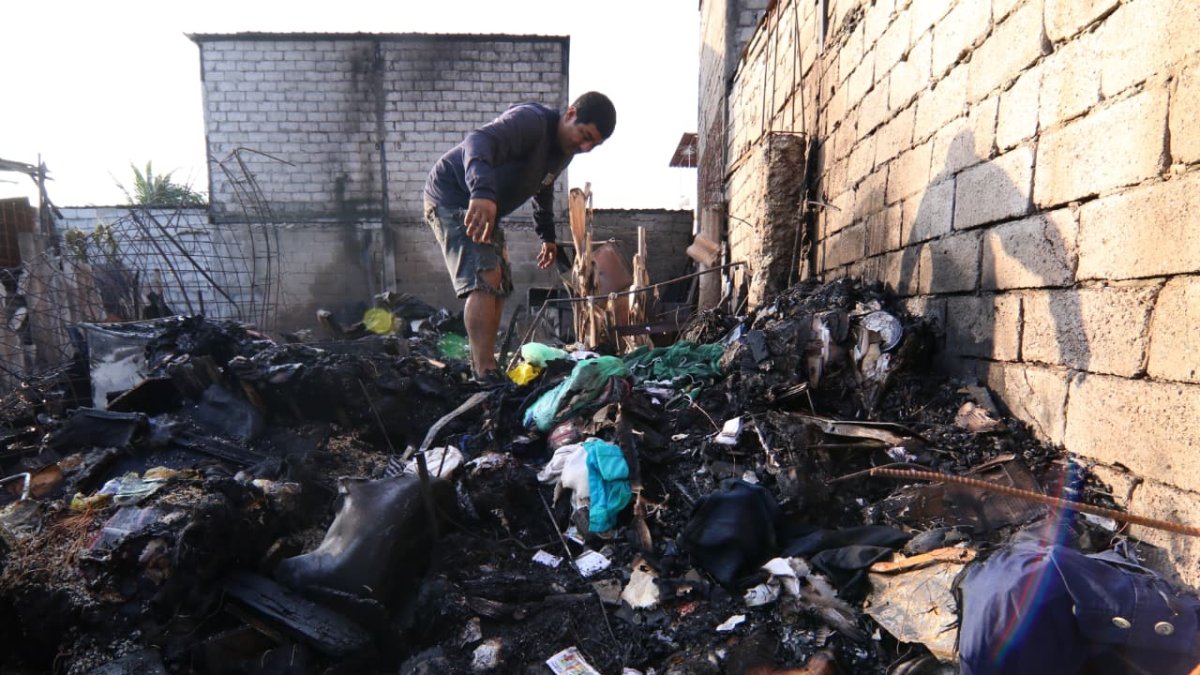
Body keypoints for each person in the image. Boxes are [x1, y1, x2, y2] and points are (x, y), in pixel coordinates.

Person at [423, 91, 617, 381]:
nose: (585, 146)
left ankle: (486, 368)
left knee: (499, 283)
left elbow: (543, 188)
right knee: (485, 279)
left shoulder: (563, 153)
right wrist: (482, 192)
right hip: (453, 195)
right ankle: (484, 372)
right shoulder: (531, 121)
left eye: (594, 144)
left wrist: (547, 236)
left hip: (484, 203)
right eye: (585, 135)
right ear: (571, 113)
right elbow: (478, 141)